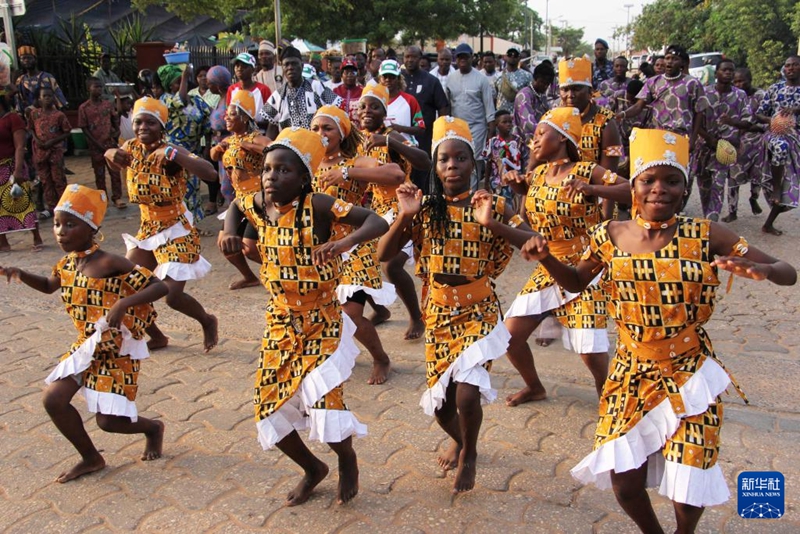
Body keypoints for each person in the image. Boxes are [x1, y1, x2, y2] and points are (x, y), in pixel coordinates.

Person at [520, 127, 796, 534]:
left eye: (672, 181)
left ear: (685, 188)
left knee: (689, 484)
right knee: (624, 479)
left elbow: (788, 273)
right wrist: (545, 259)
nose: (659, 190)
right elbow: (577, 282)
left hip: (690, 373)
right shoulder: (609, 235)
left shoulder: (705, 235)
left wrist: (764, 269)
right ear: (633, 186)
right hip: (630, 372)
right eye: (648, 180)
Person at [219, 127, 388, 506]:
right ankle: (313, 468)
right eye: (267, 169)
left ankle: (347, 460)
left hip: (322, 322)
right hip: (280, 322)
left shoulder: (320, 206)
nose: (271, 177)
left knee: (325, 404)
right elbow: (234, 204)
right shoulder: (258, 204)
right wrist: (229, 233)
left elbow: (376, 221)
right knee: (267, 407)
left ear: (304, 178)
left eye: (283, 171)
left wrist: (343, 242)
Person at [377, 116, 537, 494]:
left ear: (473, 164)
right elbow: (384, 254)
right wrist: (405, 215)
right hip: (440, 312)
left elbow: (532, 240)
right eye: (444, 159)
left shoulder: (492, 204)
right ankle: (462, 439)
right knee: (441, 407)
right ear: (435, 166)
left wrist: (493, 224)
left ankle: (471, 453)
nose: (452, 166)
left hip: (479, 309)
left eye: (460, 158)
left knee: (467, 393)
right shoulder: (425, 205)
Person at [0, 184, 169, 483]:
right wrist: (21, 274)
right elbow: (50, 285)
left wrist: (123, 303)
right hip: (87, 346)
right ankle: (91, 458)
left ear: (92, 228)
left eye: (69, 224)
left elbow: (159, 286)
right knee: (53, 399)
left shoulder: (109, 261)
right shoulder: (67, 263)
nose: (60, 232)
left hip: (116, 352)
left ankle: (152, 428)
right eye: (56, 224)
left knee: (108, 422)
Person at [503, 108, 631, 405]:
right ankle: (535, 387)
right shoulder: (536, 175)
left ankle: (610, 400)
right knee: (510, 337)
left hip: (587, 267)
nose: (533, 142)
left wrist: (593, 189)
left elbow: (634, 191)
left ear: (561, 138)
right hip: (549, 267)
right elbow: (532, 219)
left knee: (591, 353)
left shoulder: (586, 171)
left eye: (540, 135)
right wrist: (519, 189)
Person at [104, 96, 219, 353]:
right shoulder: (130, 148)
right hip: (147, 229)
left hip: (176, 230)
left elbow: (210, 173)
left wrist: (177, 155)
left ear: (162, 127)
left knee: (171, 295)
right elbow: (112, 156)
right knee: (125, 285)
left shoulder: (170, 152)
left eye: (151, 123)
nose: (143, 127)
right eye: (139, 122)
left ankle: (207, 320)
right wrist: (108, 152)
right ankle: (157, 336)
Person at [311, 105, 404, 384]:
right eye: (315, 128)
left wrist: (348, 174)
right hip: (324, 247)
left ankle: (381, 358)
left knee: (349, 315)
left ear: (341, 132)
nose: (320, 133)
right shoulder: (308, 162)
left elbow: (396, 175)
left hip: (357, 241)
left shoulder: (355, 162)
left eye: (327, 128)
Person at [358, 84, 431, 340]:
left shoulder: (392, 136)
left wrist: (389, 141)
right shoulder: (358, 140)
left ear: (384, 112)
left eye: (374, 107)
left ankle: (416, 316)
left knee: (391, 266)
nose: (367, 111)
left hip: (403, 208)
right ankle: (379, 310)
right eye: (363, 106)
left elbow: (424, 161)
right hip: (376, 211)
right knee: (356, 261)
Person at [618, 45, 709, 196]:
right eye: (667, 58)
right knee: (656, 176)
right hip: (658, 138)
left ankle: (676, 211)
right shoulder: (653, 82)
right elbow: (639, 106)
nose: (670, 62)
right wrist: (622, 114)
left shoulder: (692, 83)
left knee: (682, 179)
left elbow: (699, 112)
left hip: (682, 138)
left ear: (682, 63)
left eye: (675, 59)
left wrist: (693, 140)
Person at [210, 90, 271, 290]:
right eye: (226, 114)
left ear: (245, 117)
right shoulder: (229, 139)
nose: (226, 117)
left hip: (259, 199)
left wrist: (248, 145)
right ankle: (250, 277)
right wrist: (218, 148)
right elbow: (213, 156)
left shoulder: (256, 138)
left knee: (250, 247)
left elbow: (275, 149)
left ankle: (284, 270)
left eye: (232, 114)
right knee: (225, 243)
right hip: (239, 200)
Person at [691, 59, 751, 222]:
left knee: (718, 186)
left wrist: (732, 122)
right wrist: (707, 137)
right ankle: (707, 219)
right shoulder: (704, 93)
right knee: (704, 188)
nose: (728, 73)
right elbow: (694, 119)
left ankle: (711, 223)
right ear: (716, 73)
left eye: (731, 70)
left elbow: (748, 121)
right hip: (703, 148)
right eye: (724, 70)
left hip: (724, 149)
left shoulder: (740, 95)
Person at [155, 65, 214, 221]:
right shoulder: (165, 100)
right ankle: (179, 224)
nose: (181, 83)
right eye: (177, 81)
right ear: (169, 85)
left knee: (193, 189)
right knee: (177, 188)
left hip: (193, 151)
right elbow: (179, 101)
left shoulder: (195, 101)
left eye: (180, 81)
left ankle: (193, 224)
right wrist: (185, 76)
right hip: (173, 152)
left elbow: (207, 123)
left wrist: (207, 146)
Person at [754, 55, 800, 236]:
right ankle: (776, 188)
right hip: (776, 135)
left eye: (795, 65)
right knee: (781, 147)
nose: (791, 68)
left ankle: (768, 224)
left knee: (792, 187)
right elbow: (759, 114)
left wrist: (796, 110)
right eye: (788, 65)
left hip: (797, 136)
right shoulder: (775, 89)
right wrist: (774, 120)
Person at [260, 46, 342, 138]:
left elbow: (337, 112)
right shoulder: (277, 96)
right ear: (282, 68)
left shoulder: (317, 87)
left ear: (302, 66)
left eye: (294, 64)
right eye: (286, 64)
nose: (290, 67)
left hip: (318, 145)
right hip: (289, 149)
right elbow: (272, 129)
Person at [447, 43, 496, 188]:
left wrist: (490, 136)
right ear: (456, 59)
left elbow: (490, 110)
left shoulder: (481, 79)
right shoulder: (451, 78)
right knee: (458, 161)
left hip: (477, 128)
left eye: (465, 57)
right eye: (460, 57)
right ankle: (460, 194)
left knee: (473, 163)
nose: (463, 60)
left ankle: (472, 197)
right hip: (456, 129)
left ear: (472, 58)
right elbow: (449, 106)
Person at [402, 45, 450, 190]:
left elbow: (443, 107)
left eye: (414, 57)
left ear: (420, 58)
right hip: (400, 137)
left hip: (424, 138)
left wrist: (442, 134)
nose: (410, 60)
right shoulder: (396, 79)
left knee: (422, 176)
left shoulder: (430, 81)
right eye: (407, 57)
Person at [0, 87, 42, 252]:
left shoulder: (12, 119)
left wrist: (17, 171)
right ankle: (3, 242)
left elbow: (19, 147)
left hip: (12, 165)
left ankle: (36, 236)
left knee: (23, 201)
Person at [726, 67, 766, 220]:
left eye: (742, 81)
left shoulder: (761, 96)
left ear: (750, 80)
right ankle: (732, 210)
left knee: (757, 175)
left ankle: (754, 198)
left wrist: (750, 126)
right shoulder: (733, 96)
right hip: (738, 142)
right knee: (733, 176)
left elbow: (767, 120)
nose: (739, 84)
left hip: (757, 140)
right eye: (735, 81)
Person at [79, 77, 125, 210]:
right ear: (89, 88)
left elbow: (115, 118)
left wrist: (116, 133)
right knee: (99, 174)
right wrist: (95, 143)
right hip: (95, 146)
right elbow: (84, 127)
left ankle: (117, 197)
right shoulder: (84, 108)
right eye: (96, 87)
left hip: (110, 143)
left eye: (100, 87)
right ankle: (102, 199)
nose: (99, 89)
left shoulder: (107, 104)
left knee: (114, 171)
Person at [28, 87, 71, 221]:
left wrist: (52, 141)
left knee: (58, 179)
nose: (47, 98)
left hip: (55, 152)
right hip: (41, 153)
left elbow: (67, 131)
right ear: (39, 99)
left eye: (50, 96)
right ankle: (51, 207)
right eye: (44, 96)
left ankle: (64, 205)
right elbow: (31, 129)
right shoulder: (34, 114)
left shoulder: (58, 115)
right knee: (46, 181)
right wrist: (37, 140)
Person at [481, 109, 528, 207]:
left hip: (516, 182)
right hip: (498, 184)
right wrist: (486, 183)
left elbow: (523, 161)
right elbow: (489, 164)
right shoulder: (492, 143)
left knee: (517, 208)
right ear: (497, 124)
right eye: (504, 122)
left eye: (510, 122)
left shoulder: (518, 141)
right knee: (502, 209)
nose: (508, 124)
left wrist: (524, 177)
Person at [207, 65, 234, 211]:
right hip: (220, 147)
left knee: (229, 185)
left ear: (217, 84)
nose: (207, 85)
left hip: (228, 145)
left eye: (209, 82)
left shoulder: (229, 99)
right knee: (224, 184)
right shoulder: (219, 100)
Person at [379, 59, 425, 145]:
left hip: (406, 149)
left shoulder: (410, 100)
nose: (388, 80)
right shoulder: (375, 101)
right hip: (380, 151)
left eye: (392, 77)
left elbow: (421, 128)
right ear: (380, 79)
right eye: (385, 76)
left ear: (399, 78)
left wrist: (398, 128)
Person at [513, 61, 555, 148]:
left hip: (539, 142)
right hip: (524, 144)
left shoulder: (541, 95)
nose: (545, 86)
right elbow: (528, 122)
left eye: (547, 84)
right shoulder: (524, 95)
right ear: (535, 78)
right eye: (542, 82)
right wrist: (549, 132)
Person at [15, 46, 67, 114]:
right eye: (23, 58)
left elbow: (59, 97)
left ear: (35, 59)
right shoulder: (20, 80)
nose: (26, 60)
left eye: (29, 58)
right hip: (28, 117)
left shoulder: (47, 77)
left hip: (48, 115)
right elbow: (18, 101)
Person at [226, 53, 272, 123]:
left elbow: (271, 118)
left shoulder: (263, 90)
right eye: (237, 65)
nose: (239, 68)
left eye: (244, 66)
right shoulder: (231, 90)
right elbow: (228, 114)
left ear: (253, 69)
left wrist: (251, 124)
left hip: (259, 132)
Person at [495, 47, 532, 113]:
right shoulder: (497, 76)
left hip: (519, 115)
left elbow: (530, 97)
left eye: (515, 55)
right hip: (501, 116)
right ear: (505, 57)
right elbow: (494, 97)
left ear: (519, 58)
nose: (512, 56)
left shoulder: (527, 76)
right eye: (510, 54)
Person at [334, 57, 364, 129]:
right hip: (339, 130)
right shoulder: (335, 91)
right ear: (341, 75)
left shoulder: (363, 91)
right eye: (346, 72)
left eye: (353, 72)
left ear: (357, 75)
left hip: (358, 131)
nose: (350, 75)